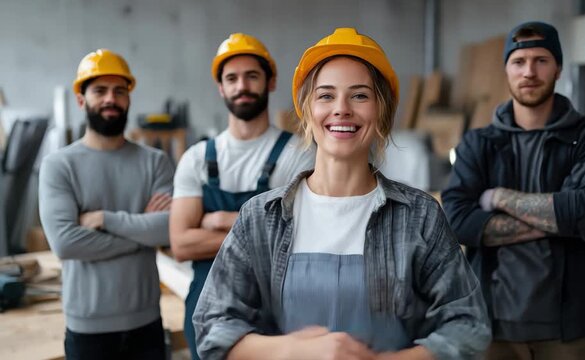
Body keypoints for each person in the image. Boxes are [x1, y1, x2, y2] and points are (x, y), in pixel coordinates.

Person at [193, 27, 491, 360]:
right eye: (326, 95)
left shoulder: (419, 215)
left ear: (381, 110)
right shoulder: (261, 217)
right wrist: (292, 350)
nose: (342, 109)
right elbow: (212, 328)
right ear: (307, 111)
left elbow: (468, 326)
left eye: (360, 95)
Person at [442, 21, 585, 360]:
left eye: (541, 60)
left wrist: (498, 198)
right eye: (518, 62)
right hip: (492, 325)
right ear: (506, 69)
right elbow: (458, 221)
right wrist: (558, 220)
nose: (529, 72)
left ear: (558, 69)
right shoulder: (479, 144)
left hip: (571, 327)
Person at [169, 33, 315, 359]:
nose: (242, 86)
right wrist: (262, 230)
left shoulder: (300, 153)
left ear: (271, 81)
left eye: (252, 76)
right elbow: (180, 244)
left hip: (280, 306)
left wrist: (218, 221)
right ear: (221, 88)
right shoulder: (196, 158)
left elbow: (303, 234)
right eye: (231, 78)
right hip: (208, 305)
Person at [39, 49, 175, 359]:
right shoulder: (59, 166)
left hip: (147, 324)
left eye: (119, 91)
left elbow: (169, 229)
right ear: (81, 100)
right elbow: (65, 243)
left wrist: (105, 219)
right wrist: (142, 234)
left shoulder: (155, 162)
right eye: (99, 90)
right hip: (87, 330)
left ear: (128, 99)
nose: (110, 99)